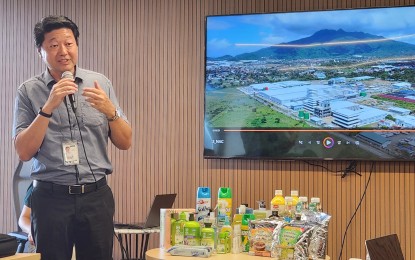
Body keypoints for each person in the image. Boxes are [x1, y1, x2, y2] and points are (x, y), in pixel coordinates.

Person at [12, 15, 132, 260]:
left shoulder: (100, 83)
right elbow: (23, 152)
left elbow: (125, 142)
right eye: (54, 45)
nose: (63, 51)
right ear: (40, 51)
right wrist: (48, 107)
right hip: (50, 199)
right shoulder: (28, 91)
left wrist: (111, 112)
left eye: (69, 44)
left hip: (96, 196)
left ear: (76, 46)